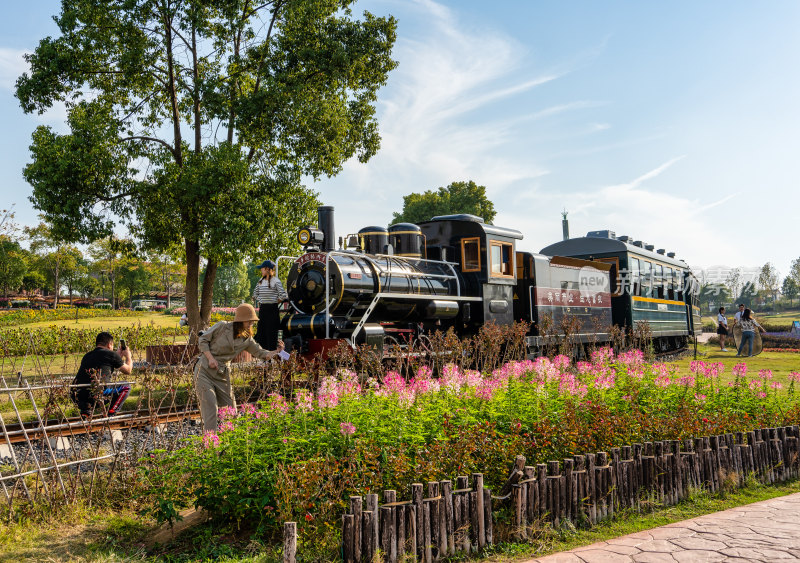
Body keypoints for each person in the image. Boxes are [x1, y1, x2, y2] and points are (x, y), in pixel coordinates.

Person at [195, 303, 284, 432]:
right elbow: (202, 339)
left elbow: (261, 353)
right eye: (249, 321)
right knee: (211, 409)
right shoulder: (221, 326)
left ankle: (230, 444)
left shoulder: (246, 340)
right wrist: (210, 358)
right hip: (204, 371)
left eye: (252, 322)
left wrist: (277, 352)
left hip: (221, 374)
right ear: (241, 320)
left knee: (230, 410)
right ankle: (210, 445)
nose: (251, 324)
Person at [71, 331, 133, 419]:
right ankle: (111, 412)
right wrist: (128, 357)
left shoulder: (87, 355)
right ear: (109, 345)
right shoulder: (111, 354)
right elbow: (128, 370)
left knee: (89, 389)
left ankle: (86, 413)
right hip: (97, 393)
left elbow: (105, 363)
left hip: (77, 395)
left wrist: (117, 356)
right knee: (126, 386)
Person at [252, 259, 288, 351]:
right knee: (262, 335)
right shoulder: (260, 281)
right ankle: (264, 359)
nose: (261, 270)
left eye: (262, 269)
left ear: (267, 269)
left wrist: (274, 302)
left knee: (272, 335)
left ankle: (273, 358)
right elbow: (255, 295)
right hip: (263, 310)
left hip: (272, 311)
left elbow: (283, 295)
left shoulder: (276, 281)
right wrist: (263, 301)